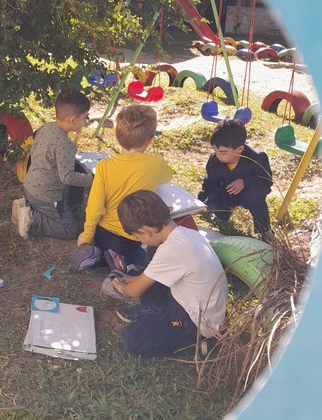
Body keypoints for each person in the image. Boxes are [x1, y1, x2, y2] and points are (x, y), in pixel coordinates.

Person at [109, 190, 228, 357]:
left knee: (132, 338)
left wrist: (121, 287)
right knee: (154, 249)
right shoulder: (187, 234)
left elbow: (133, 291)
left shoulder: (171, 250)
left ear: (146, 231)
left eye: (138, 236)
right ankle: (152, 310)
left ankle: (195, 344)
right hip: (191, 303)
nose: (141, 241)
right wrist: (131, 279)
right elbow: (150, 276)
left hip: (196, 322)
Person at [72, 103, 172, 271]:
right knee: (145, 258)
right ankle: (124, 263)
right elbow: (169, 175)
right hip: (134, 236)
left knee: (109, 251)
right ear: (149, 140)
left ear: (117, 136)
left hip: (102, 233)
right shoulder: (156, 163)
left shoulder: (104, 166)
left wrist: (86, 236)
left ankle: (99, 255)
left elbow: (95, 207)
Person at [13, 89, 93, 240]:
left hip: (30, 186)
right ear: (73, 119)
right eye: (84, 118)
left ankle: (28, 206)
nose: (85, 121)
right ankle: (32, 218)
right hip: (46, 196)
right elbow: (67, 177)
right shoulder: (65, 145)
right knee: (70, 230)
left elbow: (35, 151)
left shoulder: (46, 127)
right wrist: (91, 179)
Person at [198, 119, 273, 239]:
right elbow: (210, 180)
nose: (218, 156)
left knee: (257, 201)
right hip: (226, 192)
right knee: (214, 201)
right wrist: (204, 198)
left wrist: (245, 182)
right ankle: (222, 216)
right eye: (215, 151)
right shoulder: (214, 160)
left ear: (239, 149)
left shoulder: (257, 159)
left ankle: (264, 231)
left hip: (249, 193)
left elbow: (266, 181)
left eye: (223, 152)